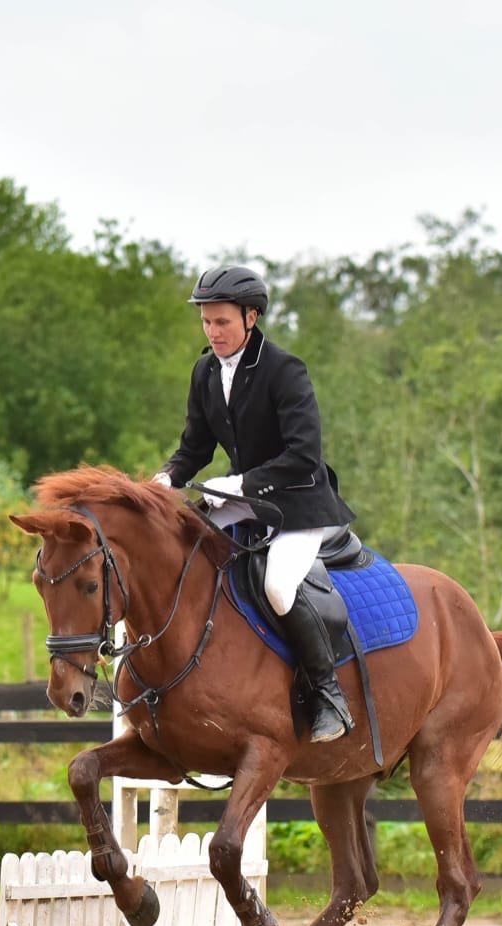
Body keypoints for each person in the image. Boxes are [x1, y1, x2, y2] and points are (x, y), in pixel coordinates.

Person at [154, 264, 359, 742]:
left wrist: (241, 483)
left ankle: (329, 695)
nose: (213, 332)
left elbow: (304, 455)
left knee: (278, 587)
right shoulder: (206, 371)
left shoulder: (284, 370)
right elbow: (194, 448)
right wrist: (166, 478)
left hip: (298, 502)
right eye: (206, 322)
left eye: (222, 322)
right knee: (184, 550)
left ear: (251, 317)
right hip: (243, 497)